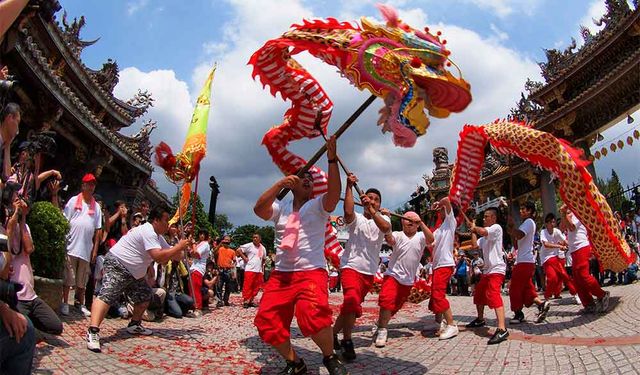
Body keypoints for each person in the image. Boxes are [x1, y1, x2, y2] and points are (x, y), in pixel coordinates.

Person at [253, 135, 347, 375]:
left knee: (312, 315)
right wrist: (278, 185)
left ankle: (329, 356)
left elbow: (334, 195)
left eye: (310, 179)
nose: (307, 180)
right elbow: (259, 209)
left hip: (311, 273)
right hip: (281, 275)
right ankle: (295, 362)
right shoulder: (280, 208)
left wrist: (332, 158)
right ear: (292, 182)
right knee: (266, 321)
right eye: (302, 177)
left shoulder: (317, 206)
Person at [86, 206, 192, 352]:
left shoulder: (158, 237)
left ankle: (135, 324)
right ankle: (93, 331)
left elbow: (175, 256)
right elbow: (159, 257)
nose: (168, 224)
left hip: (135, 273)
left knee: (144, 296)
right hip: (119, 264)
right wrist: (178, 247)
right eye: (166, 220)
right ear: (156, 220)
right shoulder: (148, 231)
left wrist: (183, 248)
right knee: (106, 296)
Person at [333, 173, 390, 360]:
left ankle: (332, 334)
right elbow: (348, 213)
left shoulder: (385, 219)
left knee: (351, 306)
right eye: (369, 198)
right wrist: (349, 186)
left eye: (376, 200)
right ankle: (347, 341)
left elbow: (384, 228)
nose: (372, 201)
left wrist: (373, 211)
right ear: (363, 199)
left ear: (380, 204)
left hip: (369, 271)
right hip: (350, 266)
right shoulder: (357, 218)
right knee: (351, 301)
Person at [374, 211, 434, 348]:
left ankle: (379, 324)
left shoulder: (421, 236)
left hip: (408, 280)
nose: (410, 222)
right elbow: (390, 240)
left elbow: (431, 240)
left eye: (413, 220)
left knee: (395, 306)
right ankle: (382, 331)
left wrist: (422, 223)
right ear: (402, 222)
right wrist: (386, 219)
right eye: (407, 219)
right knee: (386, 301)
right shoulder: (397, 234)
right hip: (393, 275)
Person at [9, 197, 63, 335]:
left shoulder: (25, 227)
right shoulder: (5, 228)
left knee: (56, 326)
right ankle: (29, 329)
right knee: (23, 331)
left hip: (31, 296)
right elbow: (7, 253)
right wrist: (12, 221)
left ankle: (31, 326)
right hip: (17, 297)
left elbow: (28, 248)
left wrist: (22, 219)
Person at [464, 208, 509, 345]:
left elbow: (483, 231)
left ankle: (502, 328)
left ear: (494, 218)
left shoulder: (496, 228)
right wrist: (472, 230)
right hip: (488, 271)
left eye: (487, 217)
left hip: (497, 269)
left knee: (494, 294)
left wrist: (474, 227)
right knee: (479, 295)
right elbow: (474, 246)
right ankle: (480, 319)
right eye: (483, 217)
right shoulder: (484, 238)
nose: (484, 219)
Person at [61, 173, 102, 317]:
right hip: (72, 246)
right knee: (68, 278)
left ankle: (80, 303)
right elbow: (65, 221)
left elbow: (98, 230)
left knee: (82, 280)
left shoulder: (96, 206)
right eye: (88, 184)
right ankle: (65, 302)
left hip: (86, 248)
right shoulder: (73, 201)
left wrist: (95, 250)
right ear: (83, 185)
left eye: (93, 184)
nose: (91, 187)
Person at [506, 202, 550, 324]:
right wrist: (511, 227)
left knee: (514, 287)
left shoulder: (529, 222)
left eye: (523, 209)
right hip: (523, 260)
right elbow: (516, 243)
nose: (521, 211)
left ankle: (518, 313)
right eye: (520, 209)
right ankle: (541, 304)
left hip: (524, 261)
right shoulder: (524, 224)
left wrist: (512, 228)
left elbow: (519, 235)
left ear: (530, 211)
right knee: (526, 288)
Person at [560, 205, 610, 313]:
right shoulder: (569, 214)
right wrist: (564, 214)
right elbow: (562, 228)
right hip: (574, 249)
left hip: (582, 247)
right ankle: (588, 304)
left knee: (583, 275)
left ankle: (602, 294)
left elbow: (572, 227)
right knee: (577, 279)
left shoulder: (580, 213)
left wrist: (565, 214)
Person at [429, 197, 459, 340]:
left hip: (445, 264)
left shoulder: (450, 222)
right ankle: (438, 322)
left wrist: (439, 203)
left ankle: (452, 325)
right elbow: (429, 240)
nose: (439, 211)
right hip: (436, 265)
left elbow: (446, 199)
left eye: (442, 209)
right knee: (435, 294)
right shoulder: (439, 229)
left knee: (438, 295)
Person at [540, 213, 579, 304]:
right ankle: (547, 296)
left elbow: (564, 241)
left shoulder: (556, 231)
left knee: (562, 276)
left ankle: (575, 294)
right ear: (546, 223)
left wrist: (573, 245)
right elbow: (546, 244)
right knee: (553, 278)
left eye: (553, 222)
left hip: (555, 258)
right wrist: (559, 246)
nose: (552, 224)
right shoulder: (543, 232)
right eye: (550, 222)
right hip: (546, 259)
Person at [238, 233, 266, 308]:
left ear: (260, 239)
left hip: (259, 270)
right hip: (250, 269)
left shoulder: (262, 248)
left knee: (256, 287)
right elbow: (239, 250)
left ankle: (251, 300)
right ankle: (246, 301)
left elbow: (264, 259)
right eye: (253, 237)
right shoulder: (249, 245)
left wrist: (261, 267)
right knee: (248, 285)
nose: (254, 239)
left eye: (256, 237)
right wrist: (244, 258)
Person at [189, 230, 210, 315]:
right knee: (192, 288)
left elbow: (196, 254)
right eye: (200, 233)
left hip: (198, 268)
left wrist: (193, 244)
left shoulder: (205, 244)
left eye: (203, 234)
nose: (201, 235)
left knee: (195, 289)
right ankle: (192, 306)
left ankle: (197, 307)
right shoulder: (199, 244)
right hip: (194, 267)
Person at [214, 235, 236, 307]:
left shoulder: (232, 251)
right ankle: (219, 301)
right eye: (225, 240)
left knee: (228, 287)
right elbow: (214, 251)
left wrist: (233, 268)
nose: (226, 242)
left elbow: (234, 261)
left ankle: (226, 300)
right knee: (219, 286)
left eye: (228, 240)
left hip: (228, 270)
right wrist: (220, 242)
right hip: (220, 270)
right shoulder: (220, 249)